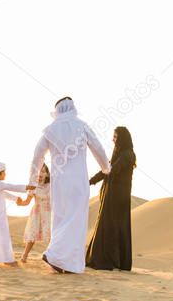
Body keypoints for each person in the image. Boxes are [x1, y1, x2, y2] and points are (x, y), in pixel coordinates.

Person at [30, 97, 110, 273]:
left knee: (60, 218)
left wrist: (32, 179)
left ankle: (65, 263)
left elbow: (38, 156)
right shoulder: (82, 126)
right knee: (76, 220)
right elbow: (98, 148)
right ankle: (55, 255)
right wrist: (106, 168)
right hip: (78, 181)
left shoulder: (50, 130)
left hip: (59, 183)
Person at [86, 126, 136, 271]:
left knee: (113, 227)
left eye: (115, 137)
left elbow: (111, 170)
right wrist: (91, 180)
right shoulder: (120, 154)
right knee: (109, 226)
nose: (113, 140)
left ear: (121, 138)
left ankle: (111, 261)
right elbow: (107, 169)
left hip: (118, 197)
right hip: (113, 196)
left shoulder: (128, 155)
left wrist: (92, 180)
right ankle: (110, 260)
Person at [0, 162, 32, 265]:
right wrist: (26, 187)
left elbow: (6, 194)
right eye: (4, 172)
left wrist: (17, 199)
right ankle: (7, 260)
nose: (5, 174)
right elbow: (9, 187)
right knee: (1, 236)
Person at [16, 163, 51, 263]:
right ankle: (24, 256)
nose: (40, 174)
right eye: (39, 171)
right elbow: (26, 202)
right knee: (32, 235)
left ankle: (51, 256)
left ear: (47, 174)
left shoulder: (52, 185)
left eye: (43, 171)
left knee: (51, 235)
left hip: (49, 212)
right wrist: (19, 202)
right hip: (37, 213)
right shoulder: (34, 186)